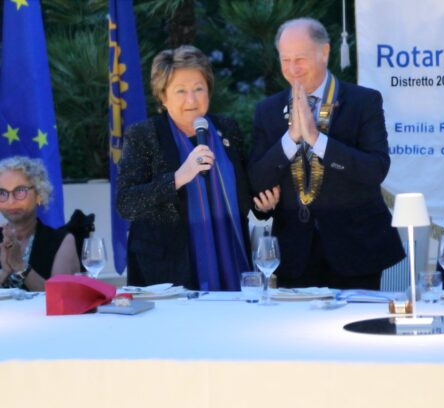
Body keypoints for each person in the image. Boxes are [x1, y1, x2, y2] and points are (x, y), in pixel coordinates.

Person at [248, 18, 404, 289]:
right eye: (286, 60)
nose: (293, 69)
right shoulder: (268, 110)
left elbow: (375, 169)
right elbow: (256, 179)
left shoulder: (363, 102)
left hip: (356, 249)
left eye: (300, 59)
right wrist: (291, 138)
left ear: (325, 52)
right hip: (295, 254)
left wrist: (317, 140)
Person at [117, 45, 277, 290]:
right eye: (180, 91)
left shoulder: (227, 129)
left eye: (198, 89)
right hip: (168, 273)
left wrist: (264, 207)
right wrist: (179, 177)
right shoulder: (143, 136)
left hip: (233, 262)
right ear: (163, 96)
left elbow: (244, 194)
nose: (191, 99)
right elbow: (126, 203)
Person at [0, 156, 80, 291]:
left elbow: (58, 296)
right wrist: (5, 272)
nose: (11, 201)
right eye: (2, 193)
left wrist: (21, 266)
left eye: (20, 191)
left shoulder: (62, 241)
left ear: (39, 195)